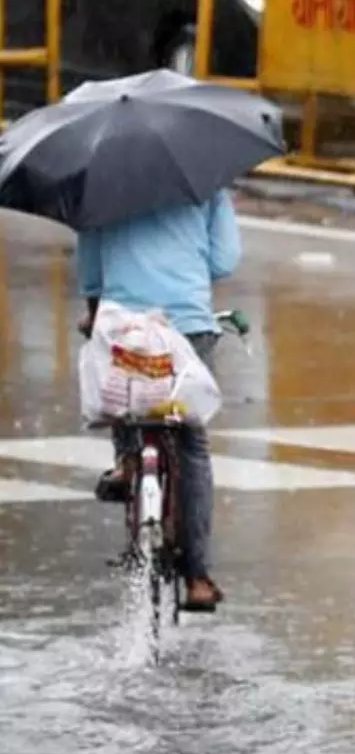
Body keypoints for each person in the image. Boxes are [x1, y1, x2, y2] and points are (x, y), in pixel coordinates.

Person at [77, 190, 243, 613]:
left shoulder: (104, 183)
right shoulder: (206, 181)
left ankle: (128, 461)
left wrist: (96, 306)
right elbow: (225, 261)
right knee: (191, 443)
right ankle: (199, 578)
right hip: (187, 324)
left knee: (124, 395)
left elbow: (92, 273)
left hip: (124, 322)